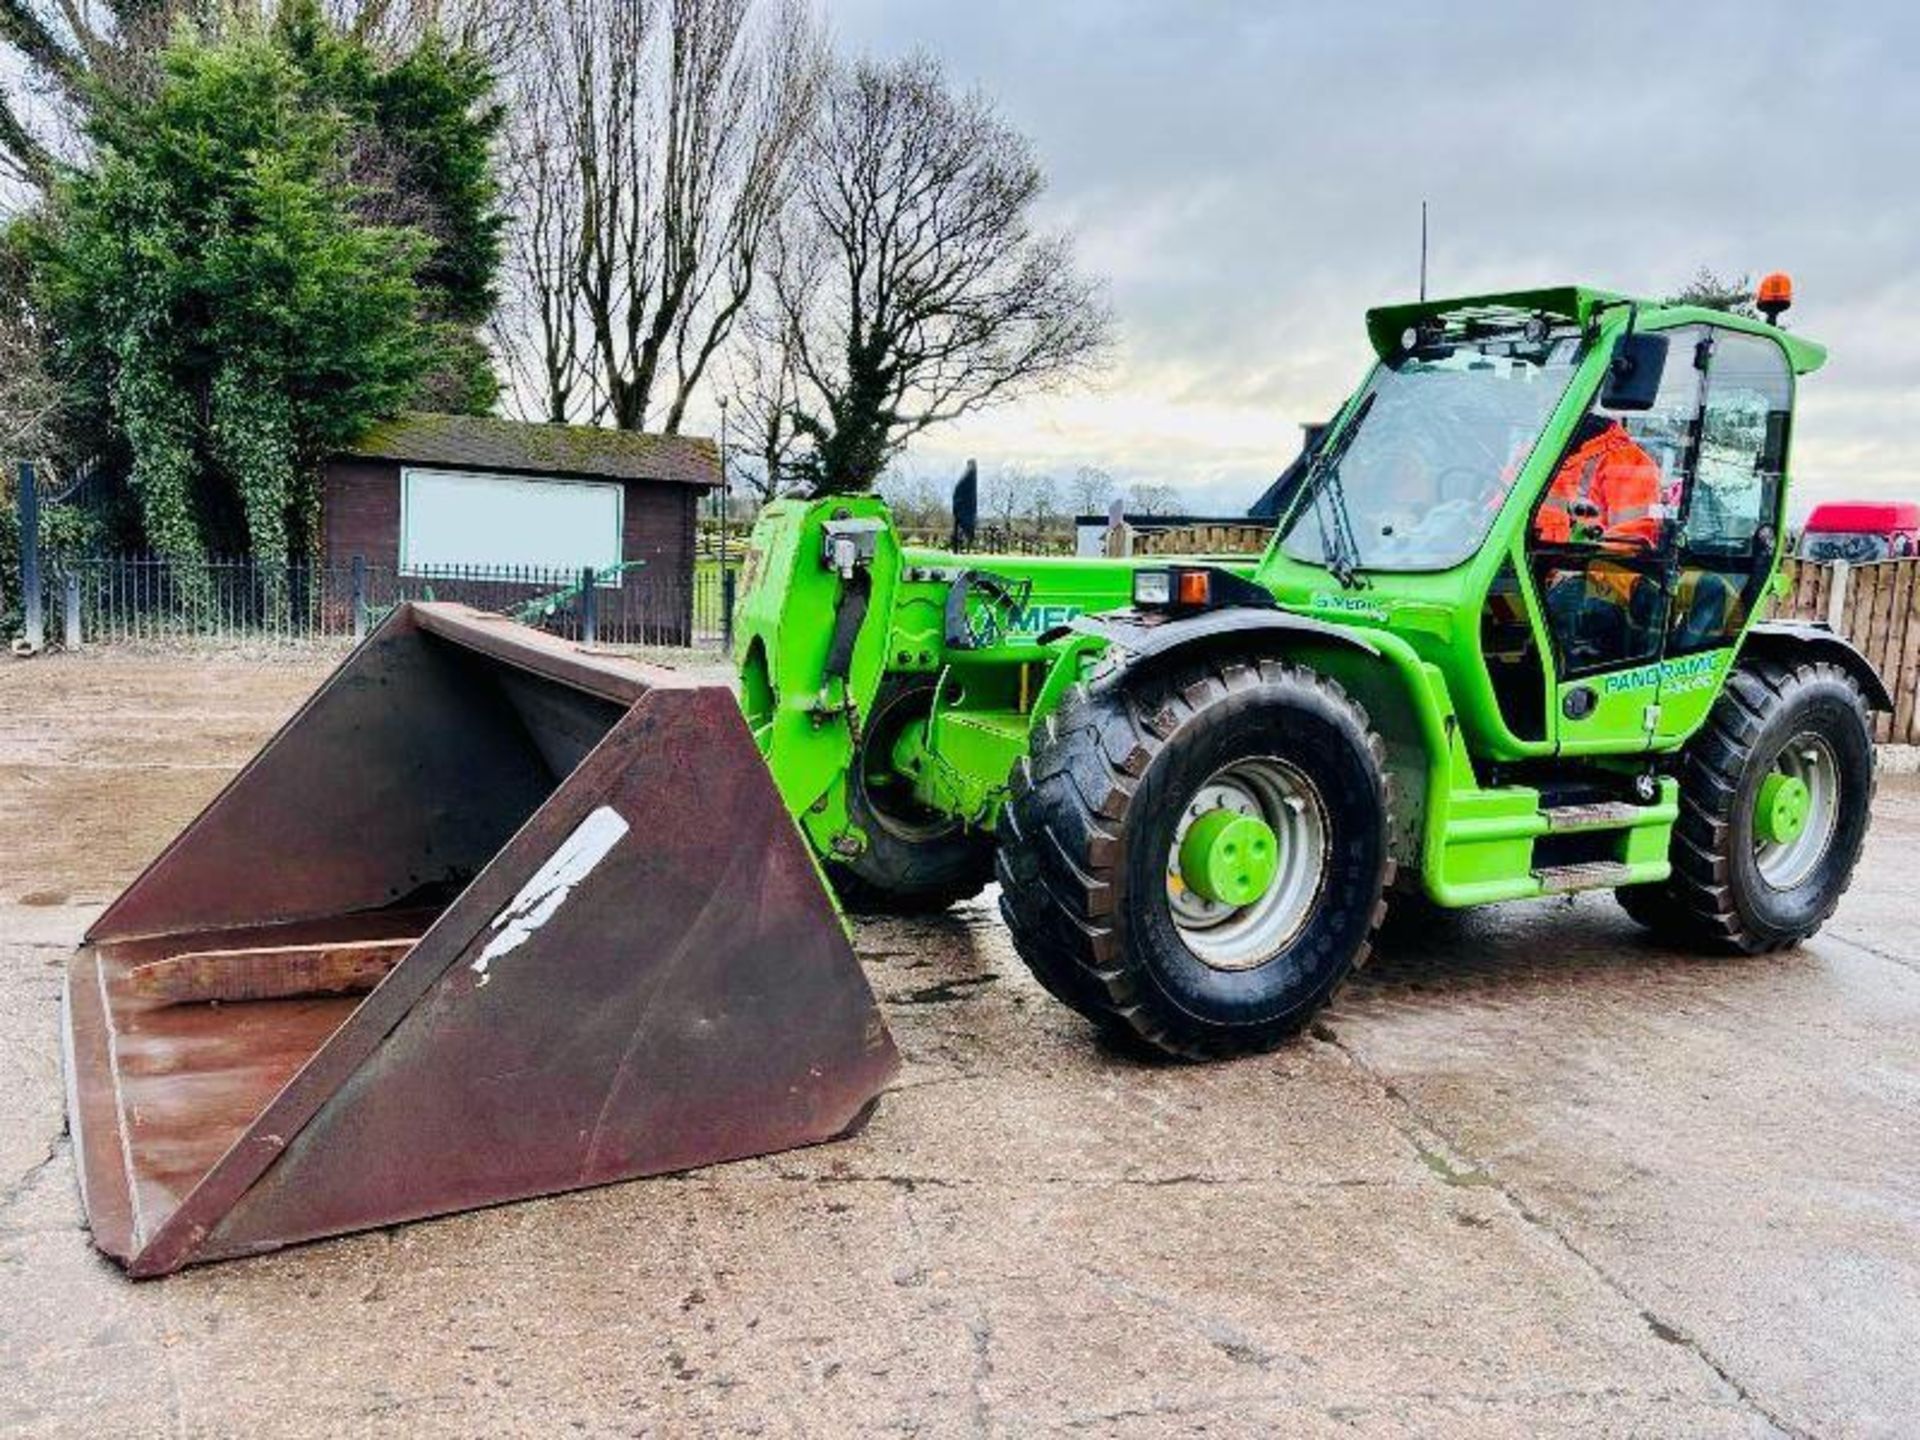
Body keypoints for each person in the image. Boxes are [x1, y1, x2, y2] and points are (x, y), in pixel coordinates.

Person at [1535, 414, 1666, 665]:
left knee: (1562, 610)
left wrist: (1577, 571)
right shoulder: (1535, 452)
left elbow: (1631, 540)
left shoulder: (1628, 463)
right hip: (1527, 570)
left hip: (1593, 582)